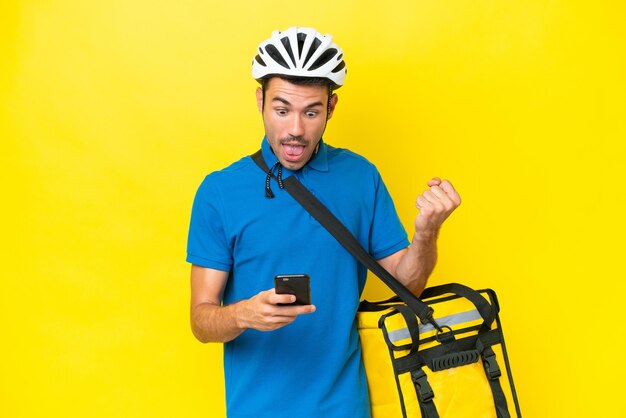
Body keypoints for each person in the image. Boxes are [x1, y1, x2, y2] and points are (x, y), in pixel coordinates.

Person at [186, 27, 461, 418]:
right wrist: (244, 314)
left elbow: (407, 285)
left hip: (346, 407)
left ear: (331, 108)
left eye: (311, 112)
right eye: (282, 110)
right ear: (260, 101)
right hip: (256, 409)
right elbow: (201, 320)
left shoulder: (360, 177)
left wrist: (427, 232)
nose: (296, 129)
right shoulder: (219, 192)